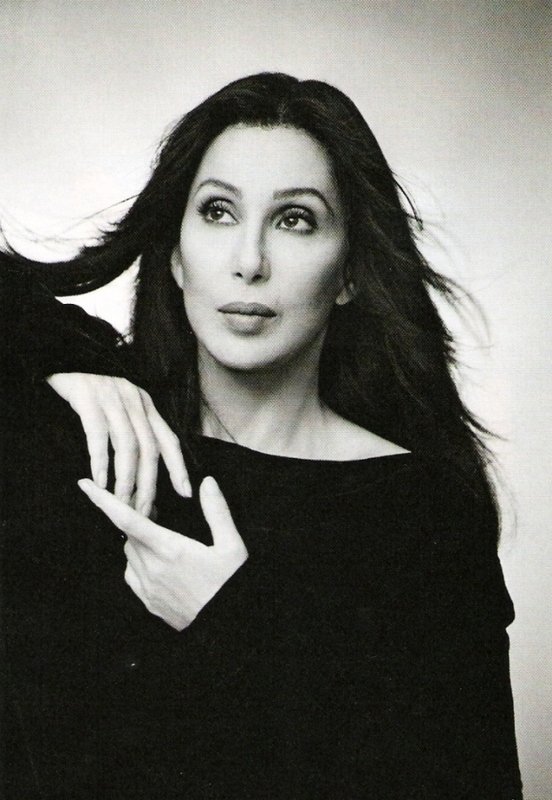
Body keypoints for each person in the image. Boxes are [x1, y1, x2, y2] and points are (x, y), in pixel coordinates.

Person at [0, 73, 522, 798]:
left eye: (295, 220)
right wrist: (61, 354)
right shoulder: (84, 435)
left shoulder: (422, 513)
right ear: (175, 252)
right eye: (218, 211)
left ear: (349, 272)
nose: (249, 260)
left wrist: (234, 627)